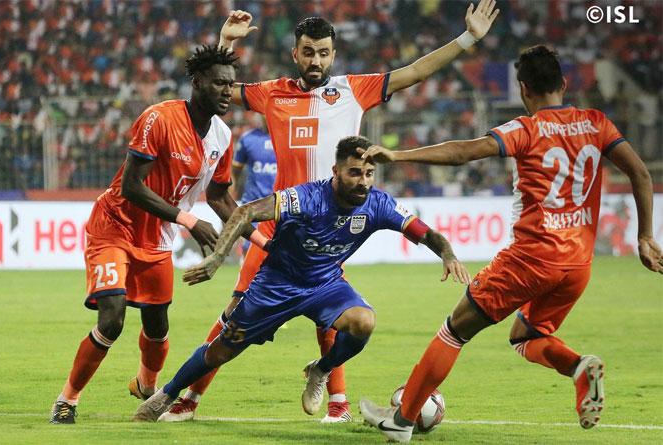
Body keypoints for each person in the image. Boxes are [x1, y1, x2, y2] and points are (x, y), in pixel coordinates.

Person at [165, 1, 499, 423]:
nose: (316, 60)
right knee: (233, 316)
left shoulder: (353, 89)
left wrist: (468, 38)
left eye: (323, 52)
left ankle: (336, 403)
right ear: (295, 53)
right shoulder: (273, 93)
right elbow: (213, 87)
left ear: (333, 54)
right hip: (278, 229)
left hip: (330, 226)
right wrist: (225, 41)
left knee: (333, 314)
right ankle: (189, 398)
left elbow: (415, 72)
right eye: (308, 52)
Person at [358, 45, 663, 443]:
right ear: (564, 83)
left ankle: (402, 419)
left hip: (531, 258)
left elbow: (462, 152)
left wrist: (397, 155)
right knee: (526, 336)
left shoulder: (525, 128)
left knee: (454, 331)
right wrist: (644, 236)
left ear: (523, 89)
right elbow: (641, 173)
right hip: (579, 264)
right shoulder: (597, 122)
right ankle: (577, 366)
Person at [132, 136, 471, 422]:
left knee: (364, 322)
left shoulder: (378, 203)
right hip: (276, 286)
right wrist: (218, 257)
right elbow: (246, 211)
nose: (364, 181)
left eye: (369, 173)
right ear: (336, 171)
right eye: (355, 173)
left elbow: (425, 233)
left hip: (325, 285)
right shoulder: (306, 197)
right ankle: (167, 394)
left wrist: (448, 253)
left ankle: (321, 370)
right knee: (220, 351)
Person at [49, 45, 269, 424]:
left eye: (231, 85)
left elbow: (219, 197)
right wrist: (188, 221)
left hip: (157, 238)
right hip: (115, 225)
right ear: (197, 82)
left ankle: (145, 385)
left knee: (157, 324)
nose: (226, 92)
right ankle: (67, 399)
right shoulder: (159, 118)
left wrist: (265, 243)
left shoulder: (221, 134)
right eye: (218, 83)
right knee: (113, 318)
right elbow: (132, 186)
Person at [231, 121, 276, 258]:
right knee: (249, 258)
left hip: (281, 209)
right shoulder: (247, 138)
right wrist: (230, 208)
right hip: (253, 210)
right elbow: (233, 174)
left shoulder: (290, 137)